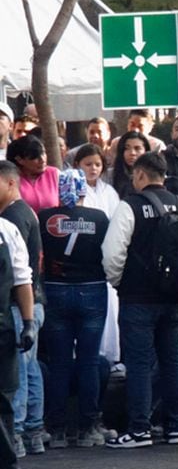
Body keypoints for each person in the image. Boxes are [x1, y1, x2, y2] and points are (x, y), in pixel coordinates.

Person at [101, 153, 178, 448]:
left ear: (140, 175)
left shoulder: (131, 206)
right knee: (172, 360)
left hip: (138, 297)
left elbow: (112, 253)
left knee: (139, 363)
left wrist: (119, 283)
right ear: (163, 175)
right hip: (176, 297)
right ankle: (174, 427)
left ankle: (139, 428)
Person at [39, 170, 110, 449]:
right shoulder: (99, 218)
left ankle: (56, 429)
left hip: (56, 288)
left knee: (59, 362)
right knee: (89, 360)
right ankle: (88, 427)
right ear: (83, 190)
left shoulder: (45, 217)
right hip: (92, 287)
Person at [0, 161, 37, 469]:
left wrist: (28, 322)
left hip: (2, 324)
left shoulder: (7, 230)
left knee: (6, 395)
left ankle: (7, 463)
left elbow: (23, 280)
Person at [9, 135, 59, 216]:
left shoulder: (55, 174)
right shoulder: (12, 180)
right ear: (20, 160)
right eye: (35, 157)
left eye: (43, 153)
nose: (42, 159)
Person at [73, 144, 120, 218]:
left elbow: (116, 216)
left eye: (98, 165)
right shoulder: (72, 189)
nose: (93, 168)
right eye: (88, 164)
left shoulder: (109, 191)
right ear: (77, 165)